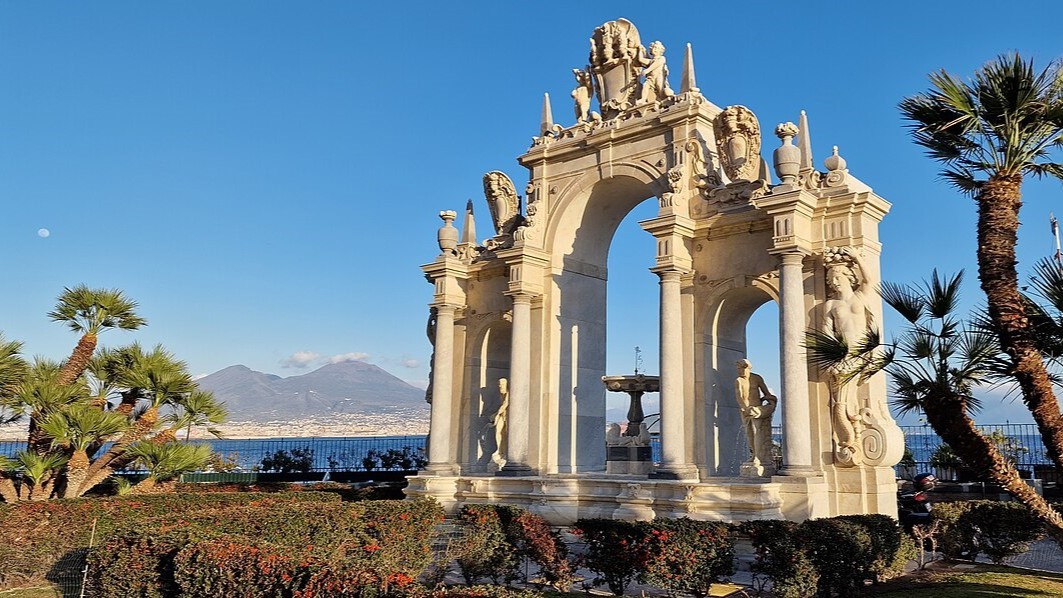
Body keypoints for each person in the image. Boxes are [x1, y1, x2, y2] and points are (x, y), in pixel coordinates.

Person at [821, 247, 874, 462]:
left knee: (846, 403)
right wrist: (833, 358)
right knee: (840, 404)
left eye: (837, 277)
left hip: (859, 355)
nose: (834, 282)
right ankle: (849, 441)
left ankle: (851, 438)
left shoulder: (860, 297)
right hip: (842, 358)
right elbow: (827, 333)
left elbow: (869, 281)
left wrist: (858, 258)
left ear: (848, 277)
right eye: (830, 278)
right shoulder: (830, 304)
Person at [734, 359, 777, 467]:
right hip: (746, 410)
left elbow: (766, 393)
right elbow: (739, 397)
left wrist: (770, 401)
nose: (739, 371)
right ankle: (754, 455)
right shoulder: (739, 380)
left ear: (747, 368)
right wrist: (745, 408)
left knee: (757, 431)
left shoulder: (756, 378)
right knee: (749, 434)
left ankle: (759, 457)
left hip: (757, 409)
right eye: (738, 369)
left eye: (741, 369)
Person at [490, 378, 509, 466]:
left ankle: (504, 452)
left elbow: (505, 404)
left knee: (505, 433)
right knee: (497, 432)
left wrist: (497, 414)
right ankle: (499, 451)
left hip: (506, 416)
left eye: (501, 384)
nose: (500, 386)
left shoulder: (508, 394)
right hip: (502, 415)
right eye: (499, 384)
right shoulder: (501, 395)